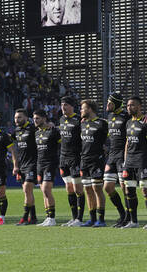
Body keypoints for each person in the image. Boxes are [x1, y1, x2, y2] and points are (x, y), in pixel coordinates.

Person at [80, 100, 108, 227]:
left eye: (83, 108)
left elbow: (111, 138)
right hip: (84, 160)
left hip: (96, 160)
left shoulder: (102, 124)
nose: (81, 110)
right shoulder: (82, 124)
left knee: (97, 188)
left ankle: (101, 219)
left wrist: (106, 148)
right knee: (87, 189)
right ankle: (92, 219)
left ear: (90, 109)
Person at [103, 93, 130, 228]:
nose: (108, 105)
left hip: (123, 156)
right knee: (107, 187)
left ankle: (129, 217)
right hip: (112, 156)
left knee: (125, 187)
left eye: (110, 103)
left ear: (117, 103)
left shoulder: (126, 116)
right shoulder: (109, 116)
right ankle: (122, 214)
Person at [59, 96, 85, 227]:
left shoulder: (79, 120)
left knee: (78, 188)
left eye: (66, 105)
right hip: (63, 158)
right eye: (62, 105)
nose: (63, 107)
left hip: (75, 158)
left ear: (72, 106)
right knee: (69, 188)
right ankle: (74, 217)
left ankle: (80, 219)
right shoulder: (61, 119)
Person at [122, 96, 147, 229]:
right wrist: (125, 161)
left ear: (139, 106)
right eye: (127, 105)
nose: (129, 107)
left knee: (145, 189)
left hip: (143, 160)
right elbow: (127, 142)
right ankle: (134, 221)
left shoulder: (145, 121)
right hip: (130, 161)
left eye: (132, 105)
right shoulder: (128, 123)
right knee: (129, 189)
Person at [33, 110, 60, 227]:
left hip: (50, 163)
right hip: (40, 164)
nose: (35, 120)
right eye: (34, 118)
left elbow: (62, 143)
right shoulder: (36, 133)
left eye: (37, 118)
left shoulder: (53, 131)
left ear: (44, 119)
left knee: (46, 189)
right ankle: (48, 217)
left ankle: (52, 218)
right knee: (43, 191)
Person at [12, 109, 38, 225]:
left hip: (32, 164)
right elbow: (6, 139)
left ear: (26, 118)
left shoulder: (33, 129)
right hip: (22, 165)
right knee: (27, 192)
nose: (17, 120)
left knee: (27, 189)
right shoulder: (17, 130)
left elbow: (45, 130)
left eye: (19, 117)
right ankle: (33, 218)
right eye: (16, 118)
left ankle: (24, 217)